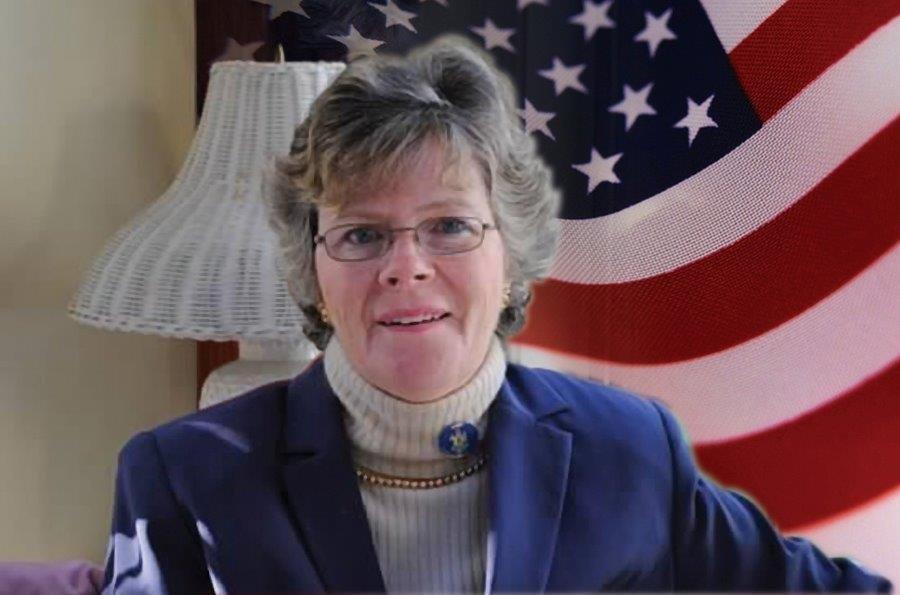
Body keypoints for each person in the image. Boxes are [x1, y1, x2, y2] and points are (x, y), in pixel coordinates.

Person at [100, 36, 892, 593]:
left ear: (509, 254)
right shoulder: (183, 475)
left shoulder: (629, 451)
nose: (406, 264)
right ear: (313, 270)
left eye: (449, 225)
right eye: (362, 234)